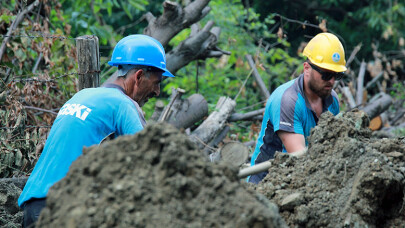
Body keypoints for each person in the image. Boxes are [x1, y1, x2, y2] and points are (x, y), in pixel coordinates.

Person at [18, 34, 174, 227]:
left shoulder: (82, 96)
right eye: (157, 83)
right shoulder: (124, 105)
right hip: (66, 210)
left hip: (33, 207)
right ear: (139, 76)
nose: (157, 91)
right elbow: (150, 160)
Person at [248, 33, 347, 184]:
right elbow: (300, 158)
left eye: (337, 75)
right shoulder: (288, 100)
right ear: (307, 68)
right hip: (266, 183)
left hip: (304, 179)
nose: (332, 81)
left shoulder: (332, 99)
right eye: (326, 75)